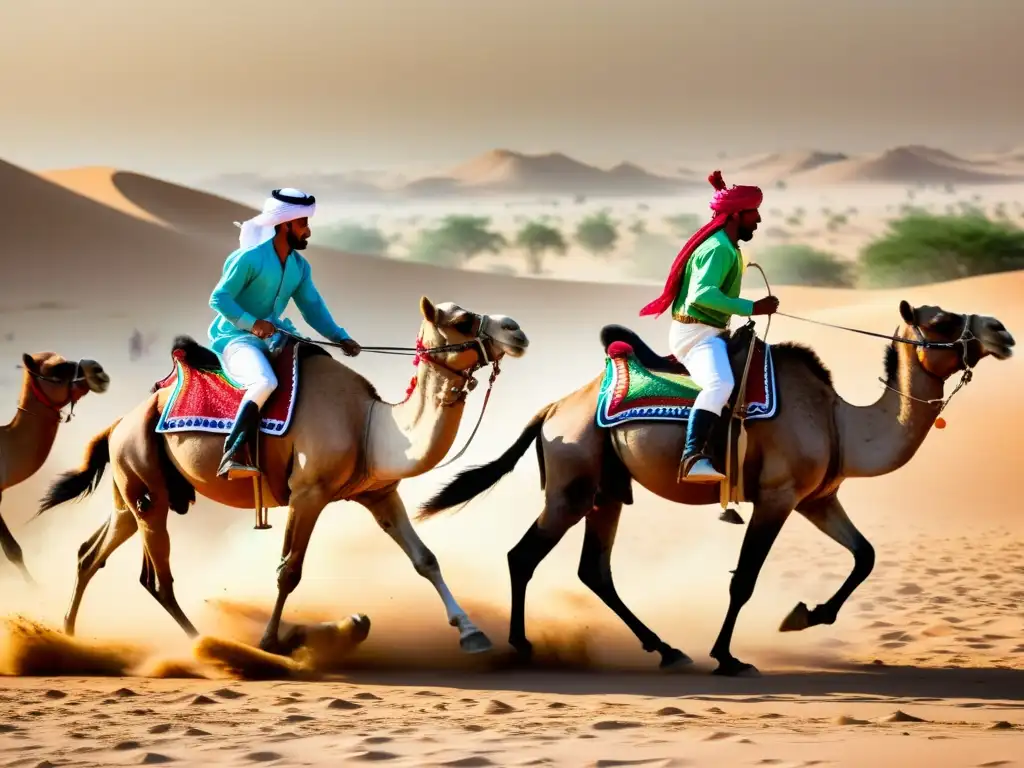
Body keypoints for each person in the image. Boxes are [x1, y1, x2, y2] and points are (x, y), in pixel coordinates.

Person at [208, 188, 361, 479]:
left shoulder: (299, 267)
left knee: (317, 367)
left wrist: (339, 337)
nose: (308, 232)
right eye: (303, 223)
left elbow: (312, 306)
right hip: (235, 339)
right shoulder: (249, 259)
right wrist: (252, 323)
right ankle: (234, 452)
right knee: (265, 382)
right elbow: (219, 298)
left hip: (276, 336)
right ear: (285, 224)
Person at [639, 170, 779, 483]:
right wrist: (752, 308)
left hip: (710, 331)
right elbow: (702, 294)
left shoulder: (726, 246)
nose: (757, 220)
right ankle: (692, 456)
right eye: (753, 213)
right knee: (720, 385)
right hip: (698, 336)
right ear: (736, 215)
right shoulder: (719, 248)